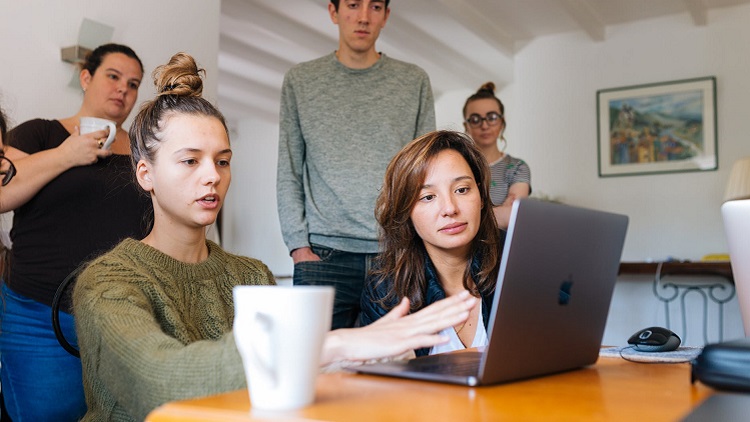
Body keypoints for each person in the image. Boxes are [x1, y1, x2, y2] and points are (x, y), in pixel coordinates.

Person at [72, 52, 476, 422]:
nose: (212, 175)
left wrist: (371, 361)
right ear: (146, 174)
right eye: (190, 160)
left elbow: (285, 392)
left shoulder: (250, 274)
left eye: (223, 161)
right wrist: (331, 345)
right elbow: (162, 385)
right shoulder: (106, 283)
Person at [0, 43, 152, 421]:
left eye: (133, 84)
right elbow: (2, 191)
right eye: (113, 77)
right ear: (86, 78)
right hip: (36, 315)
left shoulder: (142, 152)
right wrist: (69, 155)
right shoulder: (40, 134)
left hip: (120, 318)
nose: (123, 90)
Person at [276, 0, 436, 329]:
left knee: (391, 369)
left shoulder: (413, 81)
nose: (363, 17)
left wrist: (419, 244)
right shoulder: (301, 81)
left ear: (386, 16)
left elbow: (426, 173)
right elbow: (288, 169)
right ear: (333, 12)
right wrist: (298, 247)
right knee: (317, 369)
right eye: (352, 5)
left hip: (396, 252)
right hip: (322, 255)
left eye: (375, 6)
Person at [360, 130, 501, 357]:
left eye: (462, 190)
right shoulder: (384, 290)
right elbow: (380, 386)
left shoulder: (519, 263)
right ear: (406, 211)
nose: (449, 209)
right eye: (428, 197)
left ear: (482, 197)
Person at [463, 82, 531, 229]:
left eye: (492, 117)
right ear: (466, 126)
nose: (485, 125)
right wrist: (498, 213)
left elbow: (511, 217)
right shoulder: (457, 166)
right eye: (475, 119)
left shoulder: (517, 167)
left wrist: (464, 220)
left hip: (501, 248)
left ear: (502, 122)